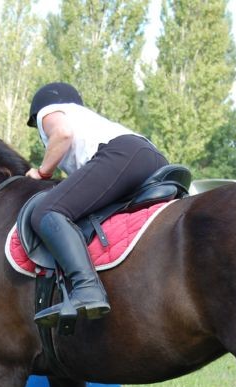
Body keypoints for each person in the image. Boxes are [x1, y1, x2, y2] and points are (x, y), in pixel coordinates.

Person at [25, 82, 168, 326]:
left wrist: (42, 172)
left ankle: (86, 289)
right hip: (152, 158)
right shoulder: (89, 120)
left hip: (123, 154)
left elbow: (62, 134)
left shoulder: (49, 112)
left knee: (46, 211)